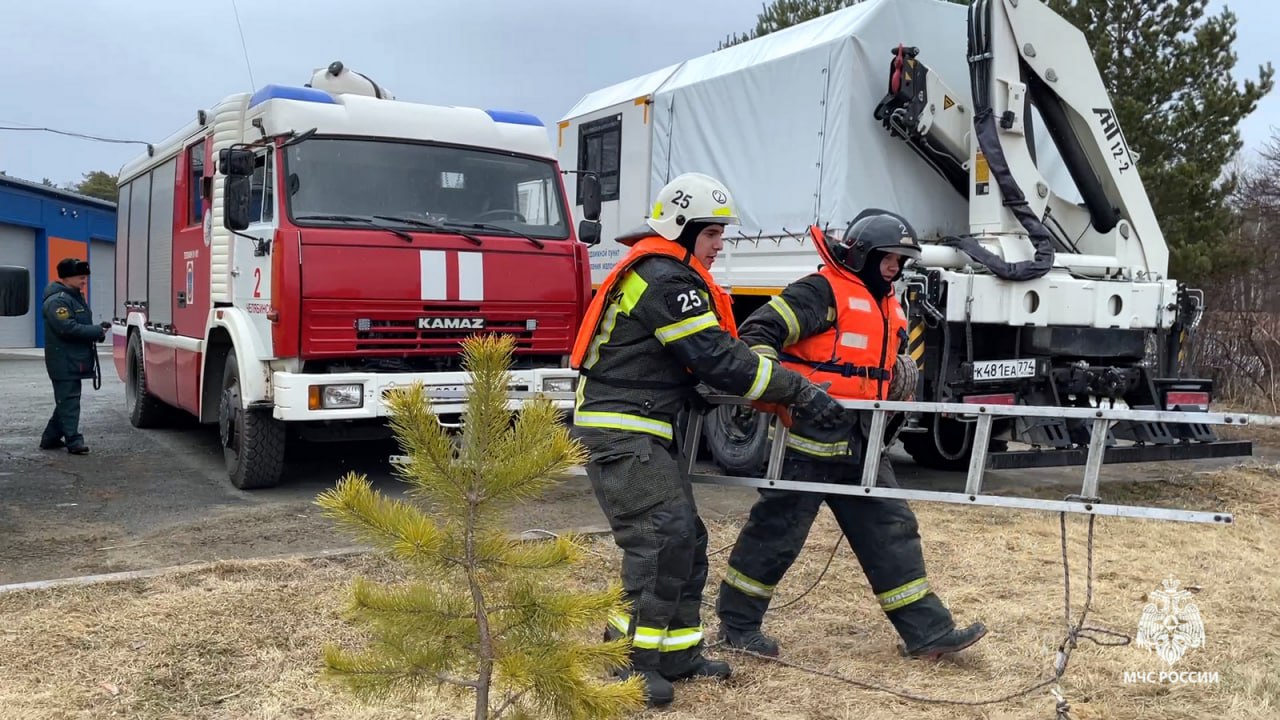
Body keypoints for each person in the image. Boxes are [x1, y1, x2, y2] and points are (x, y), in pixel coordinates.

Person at [569, 172, 846, 707]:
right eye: (714, 233)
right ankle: (626, 660)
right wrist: (799, 392)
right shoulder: (665, 281)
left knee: (687, 538)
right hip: (621, 430)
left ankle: (677, 653)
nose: (721, 245)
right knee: (660, 537)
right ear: (683, 228)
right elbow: (718, 358)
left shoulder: (666, 275)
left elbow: (700, 365)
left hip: (644, 427)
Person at [714, 209, 988, 661]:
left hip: (864, 442)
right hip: (808, 440)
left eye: (901, 261)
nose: (895, 269)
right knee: (775, 536)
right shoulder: (818, 291)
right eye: (889, 259)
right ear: (863, 255)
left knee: (892, 529)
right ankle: (737, 626)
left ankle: (929, 633)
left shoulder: (887, 304)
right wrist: (786, 392)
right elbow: (756, 336)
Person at [40, 257, 110, 455]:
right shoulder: (58, 301)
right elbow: (67, 328)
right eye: (81, 277)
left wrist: (98, 332)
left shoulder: (74, 296)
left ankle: (50, 438)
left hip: (73, 359)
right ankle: (73, 440)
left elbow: (77, 325)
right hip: (63, 360)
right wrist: (96, 330)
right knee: (69, 401)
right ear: (67, 277)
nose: (84, 281)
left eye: (85, 277)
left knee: (67, 400)